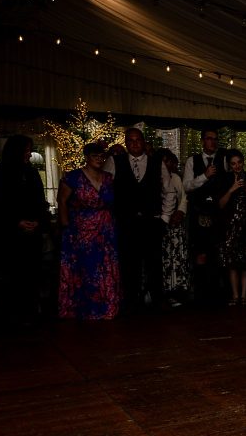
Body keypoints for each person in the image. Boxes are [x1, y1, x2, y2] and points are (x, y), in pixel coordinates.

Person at [104, 127, 173, 311]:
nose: (134, 144)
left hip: (151, 221)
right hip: (126, 222)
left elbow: (169, 190)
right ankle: (131, 301)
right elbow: (105, 190)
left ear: (143, 141)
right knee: (128, 263)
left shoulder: (157, 162)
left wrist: (165, 217)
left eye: (138, 140)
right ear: (126, 143)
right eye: (130, 140)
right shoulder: (114, 161)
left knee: (154, 263)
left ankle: (157, 299)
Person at [0, 134, 49, 325]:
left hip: (31, 234)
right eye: (26, 150)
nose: (29, 154)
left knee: (31, 275)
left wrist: (37, 221)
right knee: (10, 275)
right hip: (8, 235)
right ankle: (9, 316)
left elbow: (40, 200)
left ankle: (30, 313)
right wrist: (16, 222)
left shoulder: (32, 173)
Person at [58, 143, 121, 320]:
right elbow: (62, 201)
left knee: (105, 268)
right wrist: (66, 227)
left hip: (105, 230)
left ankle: (106, 307)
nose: (99, 159)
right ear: (86, 157)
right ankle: (85, 308)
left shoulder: (108, 178)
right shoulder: (73, 177)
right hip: (81, 231)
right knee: (86, 268)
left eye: (102, 156)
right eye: (95, 156)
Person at [182, 128, 227, 305]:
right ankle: (200, 294)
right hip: (198, 212)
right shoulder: (192, 161)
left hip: (218, 213)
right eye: (209, 138)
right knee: (200, 254)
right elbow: (187, 186)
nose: (213, 142)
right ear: (202, 141)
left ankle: (215, 294)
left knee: (216, 253)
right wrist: (204, 176)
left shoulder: (223, 159)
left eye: (215, 139)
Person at [216, 149, 246, 305]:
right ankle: (235, 295)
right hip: (230, 228)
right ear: (229, 165)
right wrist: (232, 189)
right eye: (233, 164)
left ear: (243, 162)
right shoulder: (224, 179)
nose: (237, 166)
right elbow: (220, 205)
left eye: (239, 163)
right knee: (232, 264)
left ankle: (244, 296)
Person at [160, 151, 191, 307]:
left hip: (175, 226)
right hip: (160, 225)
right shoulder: (154, 178)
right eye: (164, 161)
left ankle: (178, 291)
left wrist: (179, 212)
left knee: (177, 259)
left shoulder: (176, 178)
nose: (167, 164)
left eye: (170, 161)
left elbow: (184, 198)